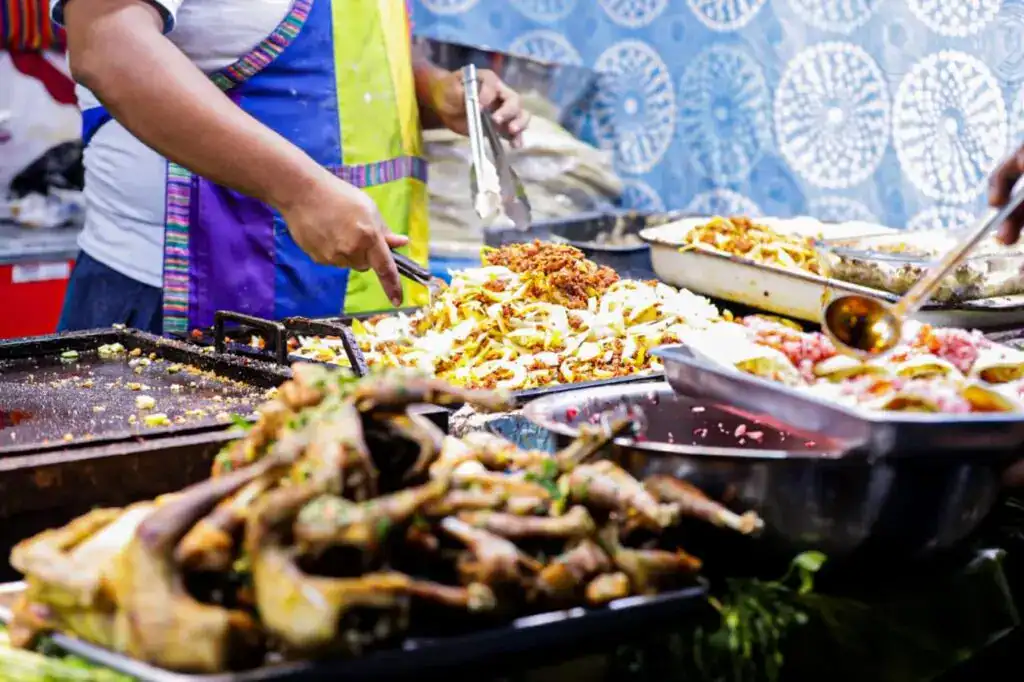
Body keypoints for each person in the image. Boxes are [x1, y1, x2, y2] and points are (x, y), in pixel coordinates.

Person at [52, 0, 531, 336]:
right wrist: (300, 193)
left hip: (354, 301)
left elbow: (342, 68)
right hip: (178, 302)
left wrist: (433, 92)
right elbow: (107, 45)